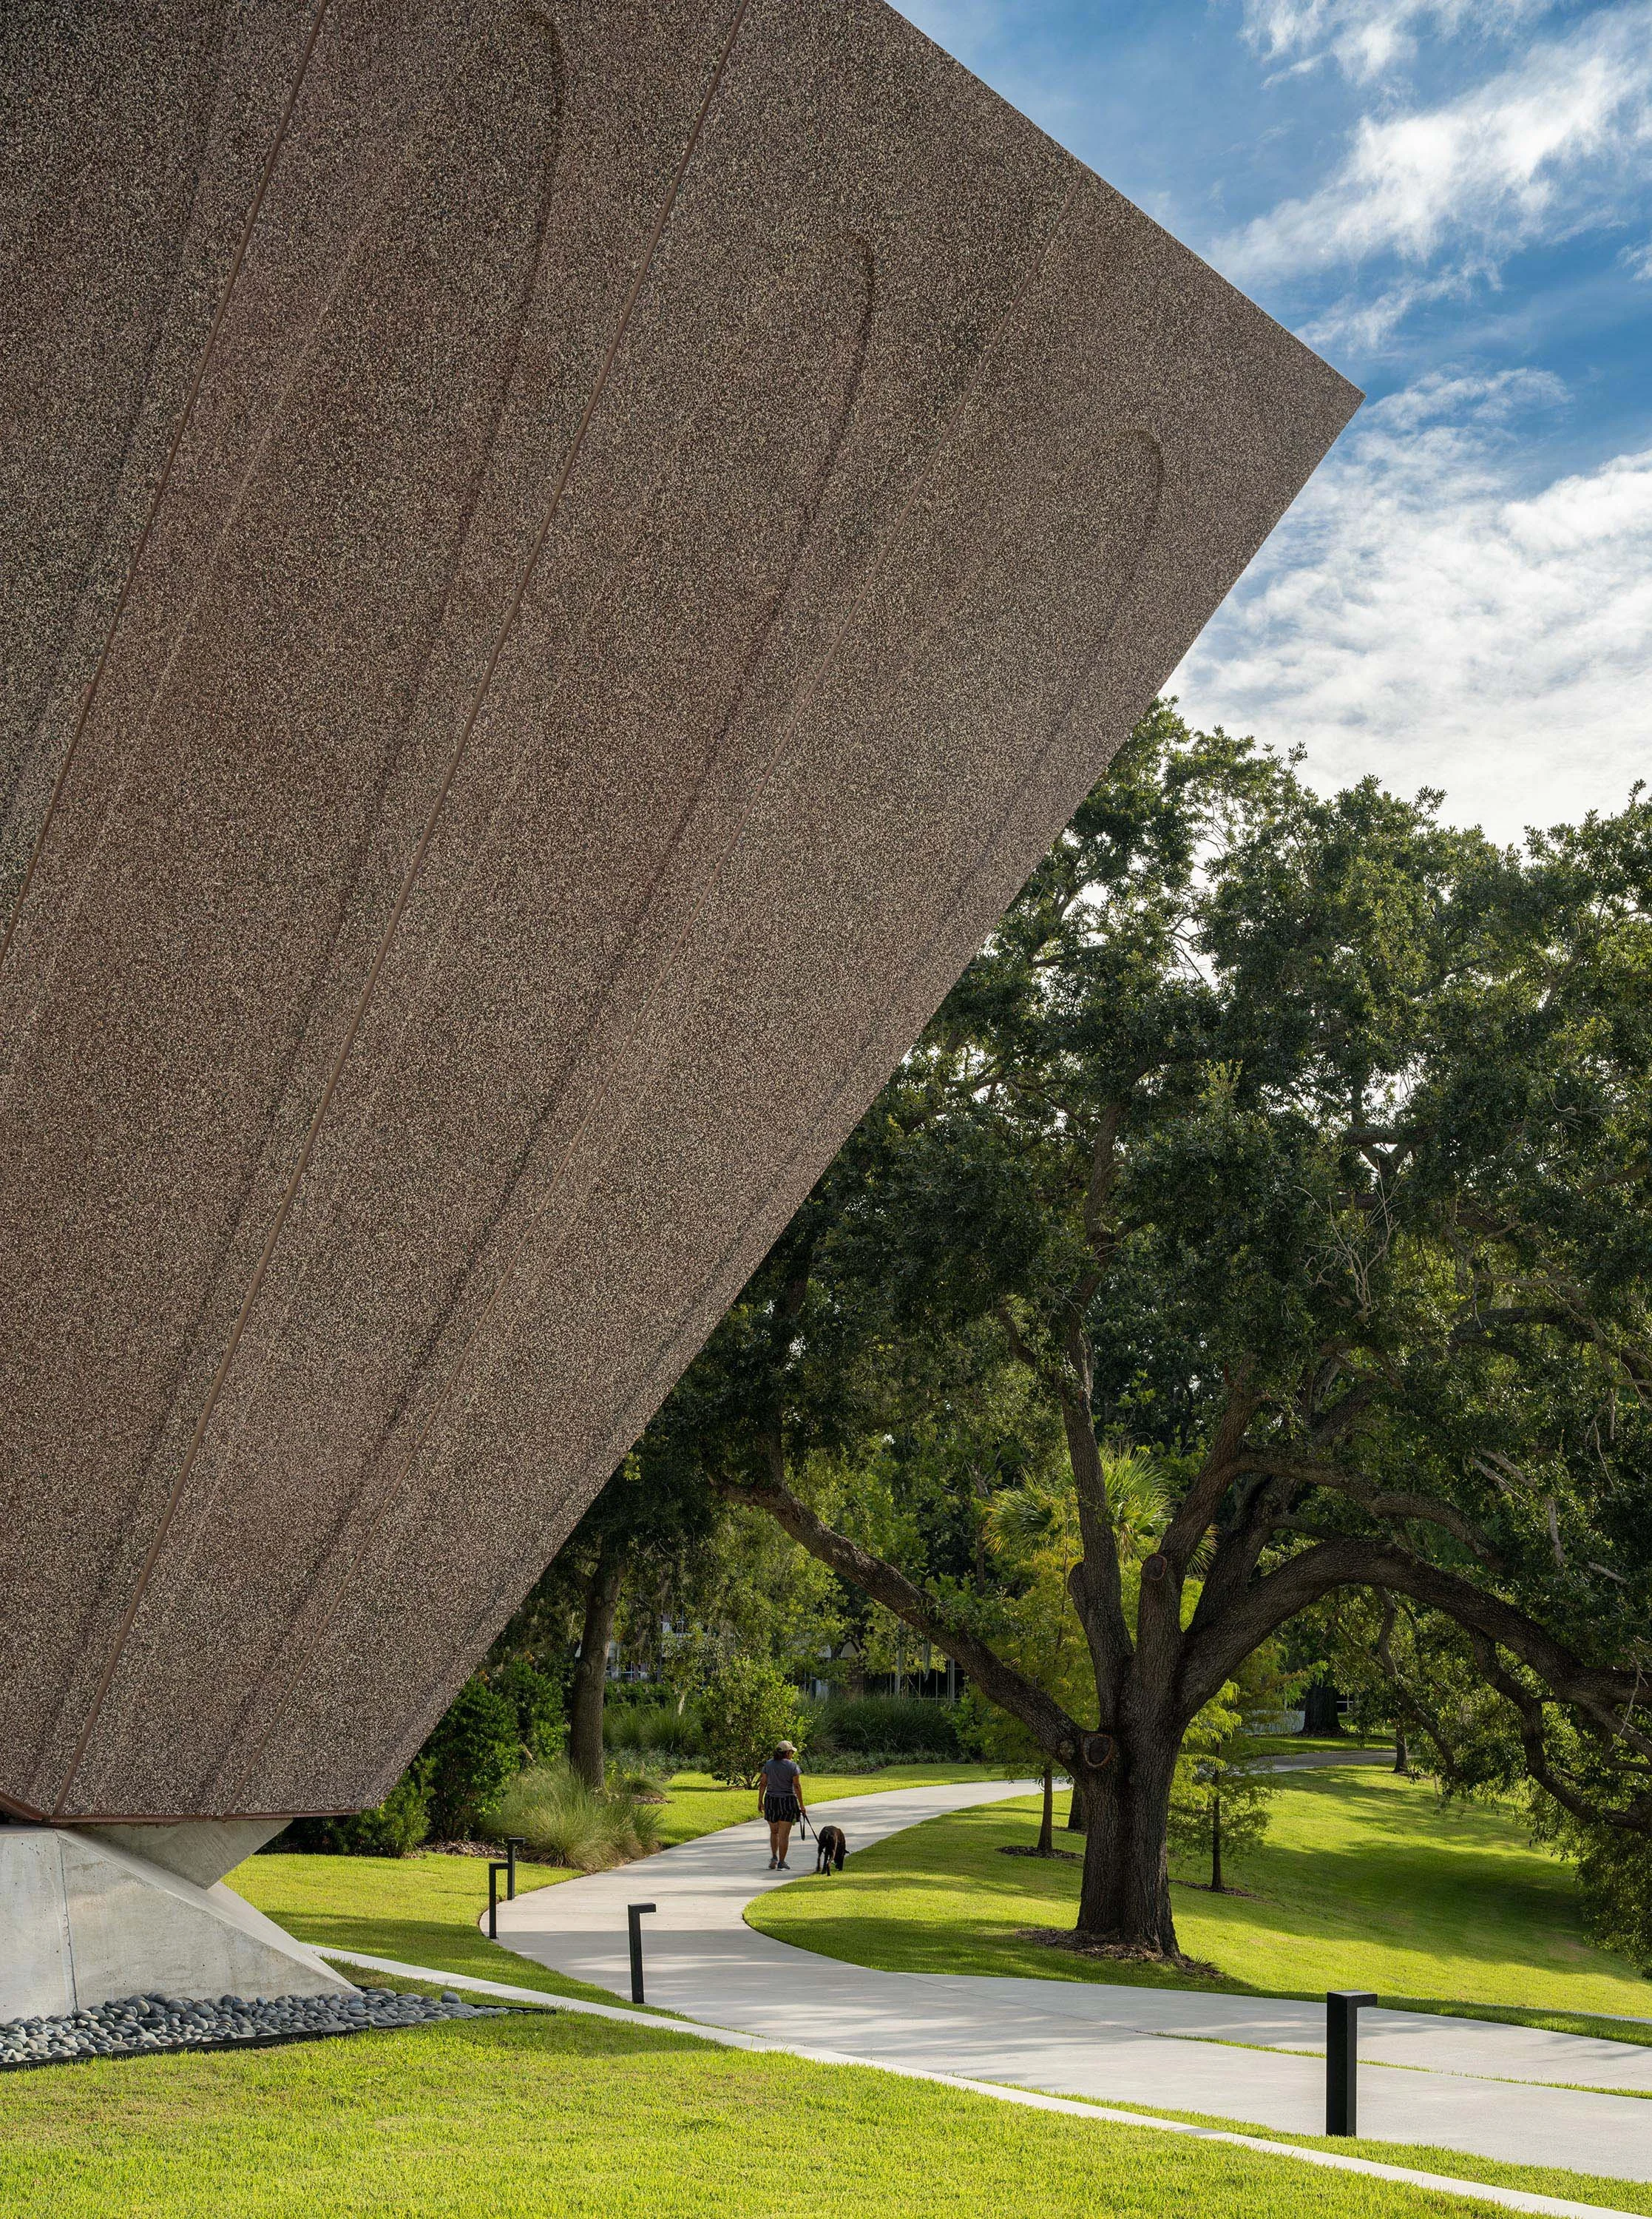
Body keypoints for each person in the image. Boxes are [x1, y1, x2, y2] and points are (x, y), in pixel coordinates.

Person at [756, 1740, 807, 1869]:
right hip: (787, 1801)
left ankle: (774, 1857)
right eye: (791, 1752)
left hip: (771, 1800)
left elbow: (763, 1783)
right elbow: (797, 1786)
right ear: (788, 1753)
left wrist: (760, 1801)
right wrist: (801, 1805)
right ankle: (782, 1862)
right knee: (784, 1835)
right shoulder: (792, 1766)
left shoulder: (768, 1765)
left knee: (774, 1832)